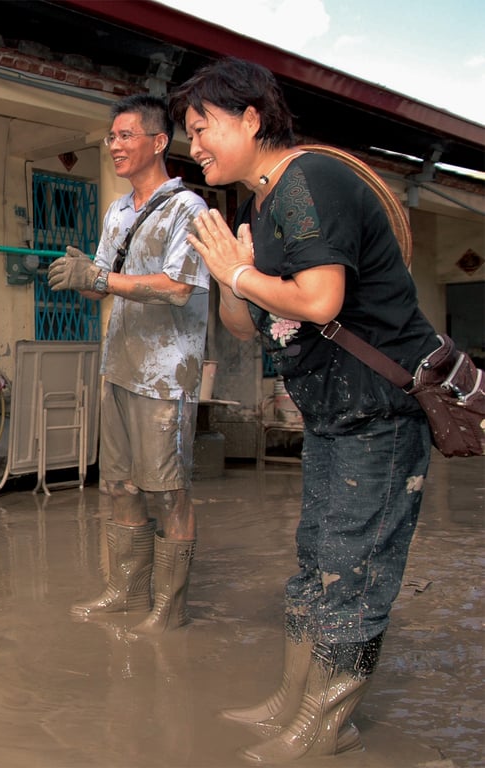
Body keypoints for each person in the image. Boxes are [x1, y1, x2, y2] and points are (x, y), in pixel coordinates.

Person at [173, 57, 437, 762]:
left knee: (351, 572)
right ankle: (290, 702)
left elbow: (318, 301)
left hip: (379, 414)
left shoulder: (308, 180)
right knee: (315, 561)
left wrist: (238, 271)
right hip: (332, 416)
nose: (193, 144)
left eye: (203, 128)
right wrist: (230, 277)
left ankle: (328, 725)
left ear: (251, 117)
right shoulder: (264, 204)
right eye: (188, 133)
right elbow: (244, 324)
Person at [48, 94, 210, 635]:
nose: (113, 145)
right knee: (119, 485)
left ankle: (170, 606)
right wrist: (76, 274)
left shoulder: (189, 208)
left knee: (169, 491)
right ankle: (124, 592)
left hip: (167, 374)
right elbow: (101, 282)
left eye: (125, 136)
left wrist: (100, 280)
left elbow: (178, 288)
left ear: (158, 142)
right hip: (118, 365)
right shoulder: (117, 211)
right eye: (111, 136)